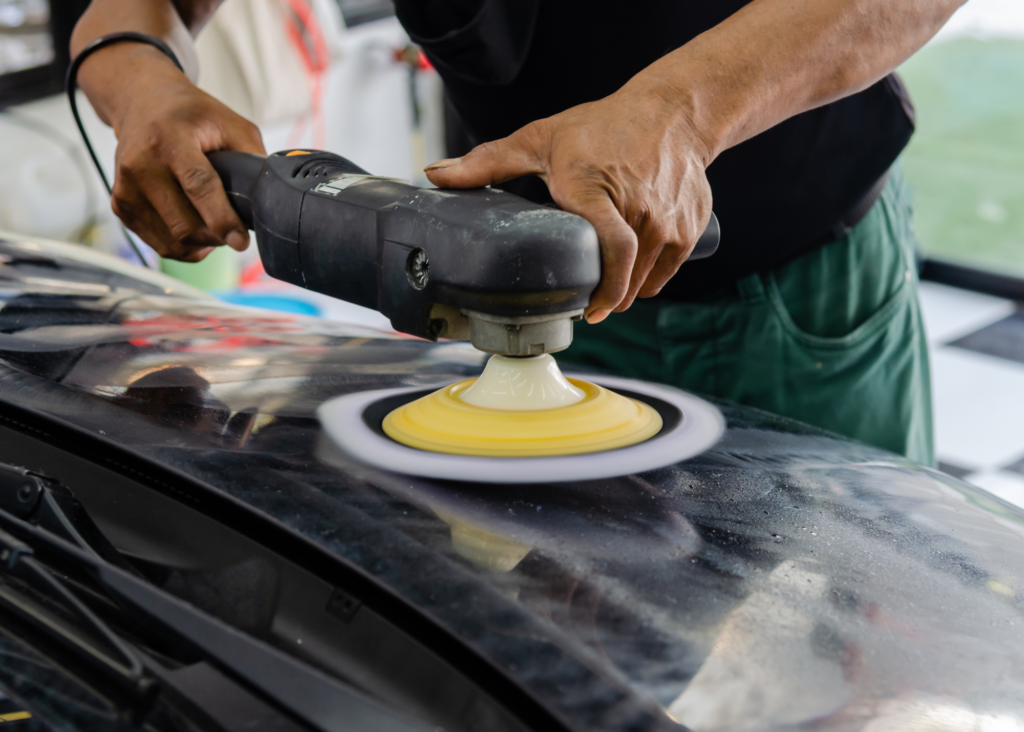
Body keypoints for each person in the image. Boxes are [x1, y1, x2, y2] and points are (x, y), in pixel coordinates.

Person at [70, 0, 965, 465]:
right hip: (507, 297)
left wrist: (680, 112)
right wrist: (143, 85)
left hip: (794, 287)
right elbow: (122, 12)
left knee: (837, 672)